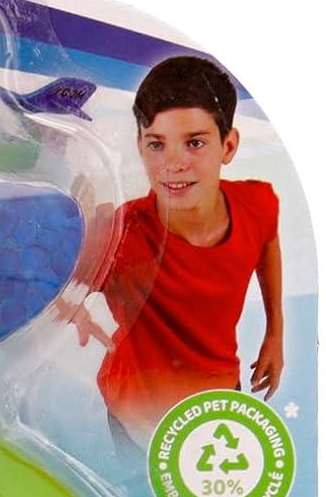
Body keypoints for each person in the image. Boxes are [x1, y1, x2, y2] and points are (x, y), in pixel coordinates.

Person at [67, 55, 283, 449]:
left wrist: (275, 333)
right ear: (140, 147)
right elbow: (45, 273)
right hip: (134, 418)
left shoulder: (257, 202)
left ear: (228, 145)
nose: (173, 164)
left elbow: (267, 240)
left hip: (217, 403)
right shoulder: (119, 233)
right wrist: (71, 305)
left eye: (194, 143)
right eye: (156, 144)